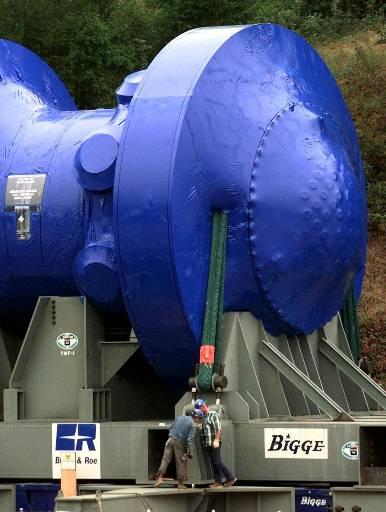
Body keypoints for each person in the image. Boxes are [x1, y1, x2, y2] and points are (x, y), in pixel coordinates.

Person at [194, 399, 237, 488]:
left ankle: (231, 478)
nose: (199, 411)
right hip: (208, 443)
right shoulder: (205, 417)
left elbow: (218, 428)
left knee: (218, 462)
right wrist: (199, 426)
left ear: (202, 406)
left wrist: (217, 440)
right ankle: (218, 481)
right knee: (213, 463)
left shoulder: (213, 415)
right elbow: (206, 428)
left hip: (214, 443)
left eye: (199, 409)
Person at [155, 410, 202, 489]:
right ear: (196, 417)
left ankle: (159, 478)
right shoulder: (192, 424)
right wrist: (190, 452)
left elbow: (171, 427)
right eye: (200, 419)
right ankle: (180, 484)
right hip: (179, 442)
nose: (199, 421)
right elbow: (190, 439)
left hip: (170, 439)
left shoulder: (179, 418)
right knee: (180, 462)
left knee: (165, 460)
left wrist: (171, 436)